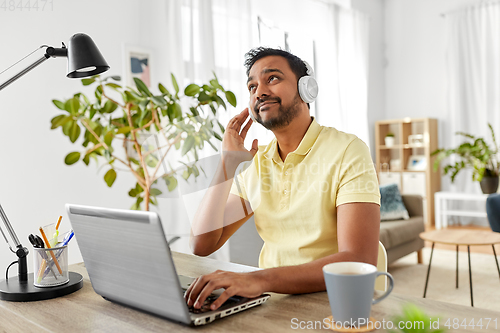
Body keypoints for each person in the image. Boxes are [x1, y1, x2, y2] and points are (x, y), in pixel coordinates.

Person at [184, 47, 380, 311]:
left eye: (272, 78)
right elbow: (202, 243)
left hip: (334, 301)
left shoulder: (348, 150)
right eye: (252, 86)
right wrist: (226, 164)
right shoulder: (258, 162)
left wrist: (258, 279)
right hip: (272, 302)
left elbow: (359, 259)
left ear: (306, 88)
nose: (260, 91)